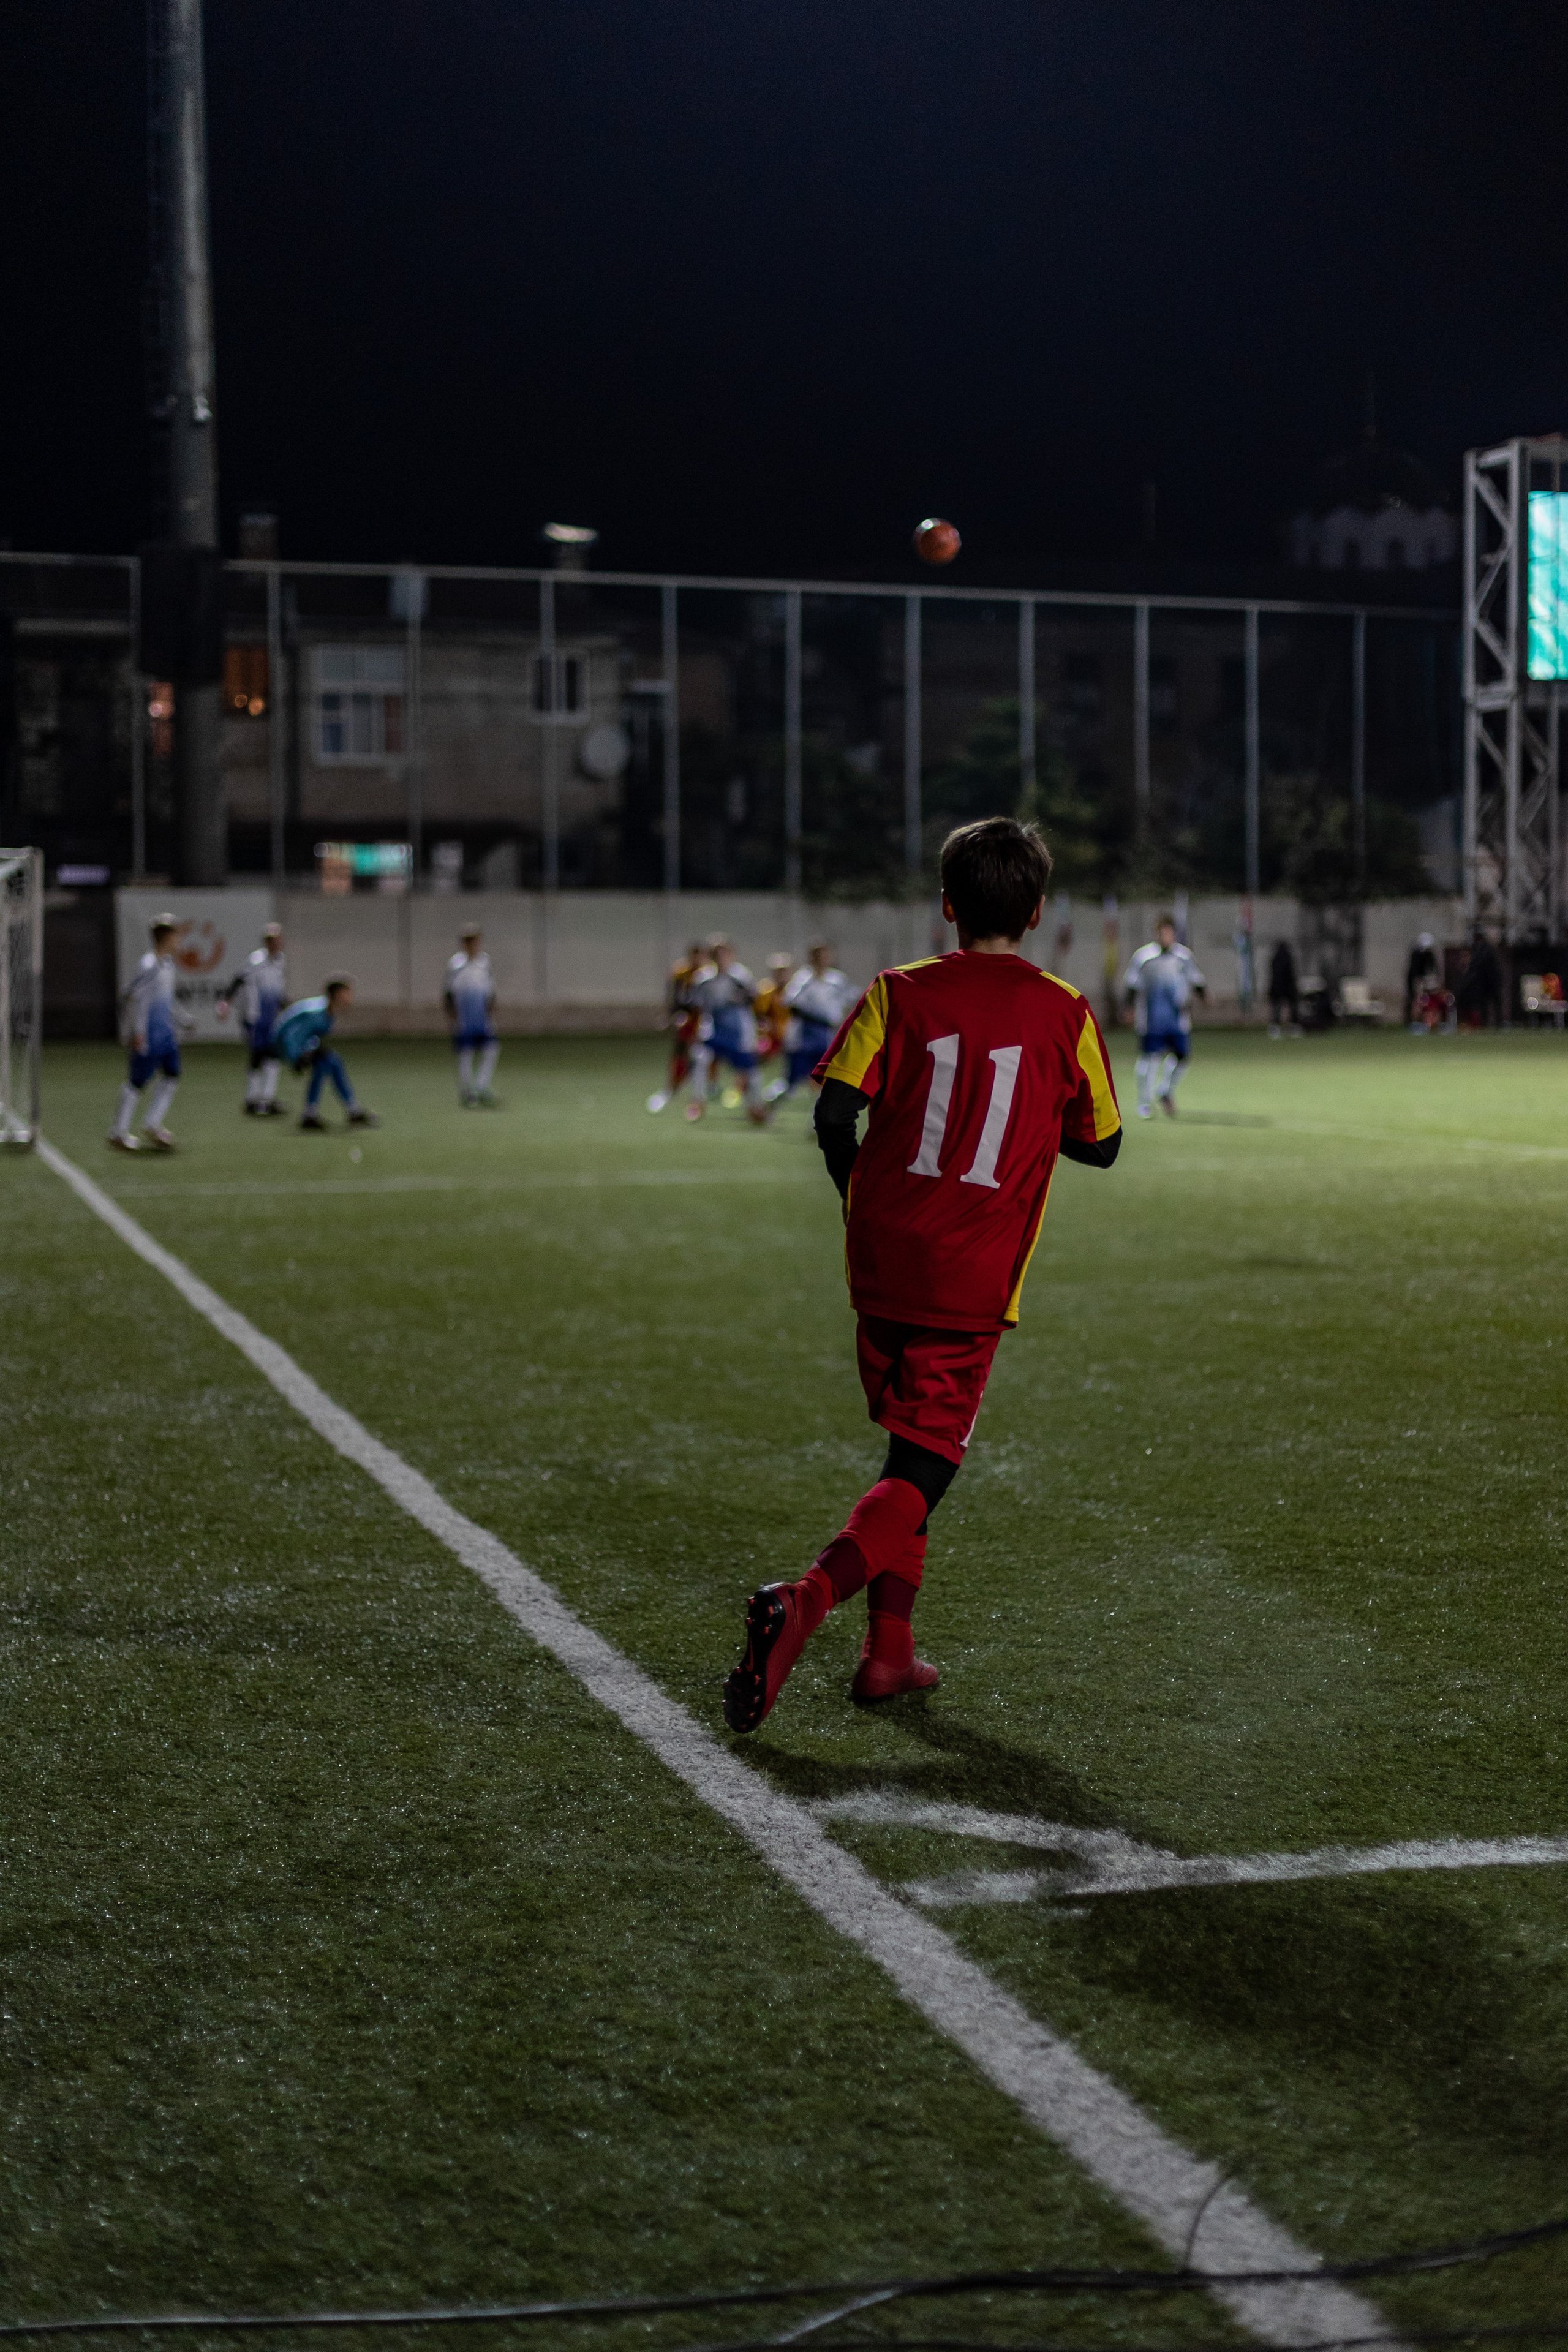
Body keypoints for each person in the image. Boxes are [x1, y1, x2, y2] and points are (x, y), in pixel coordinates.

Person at [722, 816, 1121, 1732]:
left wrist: (857, 1199)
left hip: (881, 1258)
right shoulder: (1064, 1009)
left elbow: (833, 1116)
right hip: (967, 1274)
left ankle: (889, 1655)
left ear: (947, 905)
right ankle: (805, 1602)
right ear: (1037, 911)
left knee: (908, 1452)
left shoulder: (896, 991)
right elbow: (1102, 1143)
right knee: (927, 1464)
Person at [108, 912, 192, 1153]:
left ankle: (152, 1124)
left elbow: (166, 1000)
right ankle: (118, 1132)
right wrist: (138, 1032)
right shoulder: (149, 965)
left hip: (166, 1035)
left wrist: (183, 1020)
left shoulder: (167, 964)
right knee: (137, 1081)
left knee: (172, 1075)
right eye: (175, 935)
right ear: (166, 937)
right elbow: (137, 999)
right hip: (150, 1036)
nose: (178, 940)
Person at [1123, 916, 1205, 1117]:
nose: (1165, 937)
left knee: (1182, 1057)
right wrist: (1128, 1008)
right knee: (1150, 1059)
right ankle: (1144, 1103)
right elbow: (1132, 984)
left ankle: (1165, 1090)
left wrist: (1204, 996)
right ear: (1156, 934)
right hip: (1151, 1018)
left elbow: (1196, 979)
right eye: (1161, 933)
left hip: (1177, 1018)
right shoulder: (1144, 957)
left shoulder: (1183, 956)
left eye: (1168, 932)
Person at [273, 976, 379, 1131]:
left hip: (294, 1046)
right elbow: (292, 1034)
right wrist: (298, 1057)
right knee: (327, 1063)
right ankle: (318, 1113)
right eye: (347, 993)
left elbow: (307, 1035)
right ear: (338, 995)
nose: (350, 997)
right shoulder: (318, 1013)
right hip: (282, 1046)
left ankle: (341, 1111)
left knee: (331, 1062)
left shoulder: (326, 1010)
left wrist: (313, 1048)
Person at [766, 938, 857, 1104]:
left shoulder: (837, 980)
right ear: (812, 957)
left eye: (825, 955)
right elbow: (789, 1002)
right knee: (792, 1082)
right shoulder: (803, 979)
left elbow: (851, 1000)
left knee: (828, 1082)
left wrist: (842, 1023)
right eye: (818, 955)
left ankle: (821, 1118)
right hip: (803, 1037)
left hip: (826, 1037)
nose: (822, 959)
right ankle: (769, 1104)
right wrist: (815, 1016)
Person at [687, 938, 766, 1124]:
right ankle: (698, 1102)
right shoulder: (704, 979)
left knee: (749, 1070)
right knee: (700, 1058)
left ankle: (756, 1107)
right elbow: (696, 1004)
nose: (720, 958)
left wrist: (740, 999)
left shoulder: (740, 976)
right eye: (716, 954)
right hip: (714, 1031)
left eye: (724, 954)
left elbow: (753, 998)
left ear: (731, 955)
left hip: (739, 1033)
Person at [216, 920, 288, 1114]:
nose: (275, 943)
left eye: (278, 939)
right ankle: (255, 1099)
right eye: (271, 940)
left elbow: (277, 991)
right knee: (259, 1055)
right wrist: (226, 1002)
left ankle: (264, 1098)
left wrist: (286, 1007)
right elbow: (239, 979)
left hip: (271, 1018)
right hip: (255, 1017)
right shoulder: (256, 961)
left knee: (272, 1056)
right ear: (266, 942)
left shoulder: (280, 961)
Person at [648, 940, 707, 1114]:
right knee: (681, 1052)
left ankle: (704, 1090)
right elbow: (675, 998)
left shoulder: (708, 973)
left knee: (702, 1057)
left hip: (705, 1021)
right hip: (689, 1020)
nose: (697, 959)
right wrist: (671, 1016)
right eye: (694, 955)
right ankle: (673, 1086)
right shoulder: (681, 972)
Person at [445, 924, 500, 1106]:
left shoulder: (484, 963)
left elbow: (490, 990)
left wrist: (491, 1012)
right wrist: (452, 1016)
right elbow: (448, 993)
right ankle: (467, 1091)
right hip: (464, 1018)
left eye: (475, 941)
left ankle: (481, 1086)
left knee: (491, 1049)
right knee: (466, 1053)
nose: (472, 944)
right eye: (469, 941)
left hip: (482, 1017)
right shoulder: (456, 965)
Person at [753, 954, 795, 1080]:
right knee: (756, 1052)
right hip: (771, 1036)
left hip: (792, 1036)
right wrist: (766, 1026)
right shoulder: (765, 991)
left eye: (784, 971)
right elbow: (759, 1015)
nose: (781, 974)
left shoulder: (796, 991)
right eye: (778, 971)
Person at [1405, 932, 1440, 1029]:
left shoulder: (1429, 954)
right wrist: (1418, 982)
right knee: (1416, 1002)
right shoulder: (1416, 954)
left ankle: (1428, 1022)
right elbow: (1414, 972)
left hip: (1425, 981)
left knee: (1427, 1002)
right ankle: (1413, 1022)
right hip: (1417, 981)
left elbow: (1433, 968)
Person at [1267, 938, 1299, 1038]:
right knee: (1291, 1007)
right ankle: (1293, 1027)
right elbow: (1291, 973)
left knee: (1277, 1008)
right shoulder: (1288, 958)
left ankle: (1275, 1028)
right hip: (1287, 986)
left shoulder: (1275, 959)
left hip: (1277, 986)